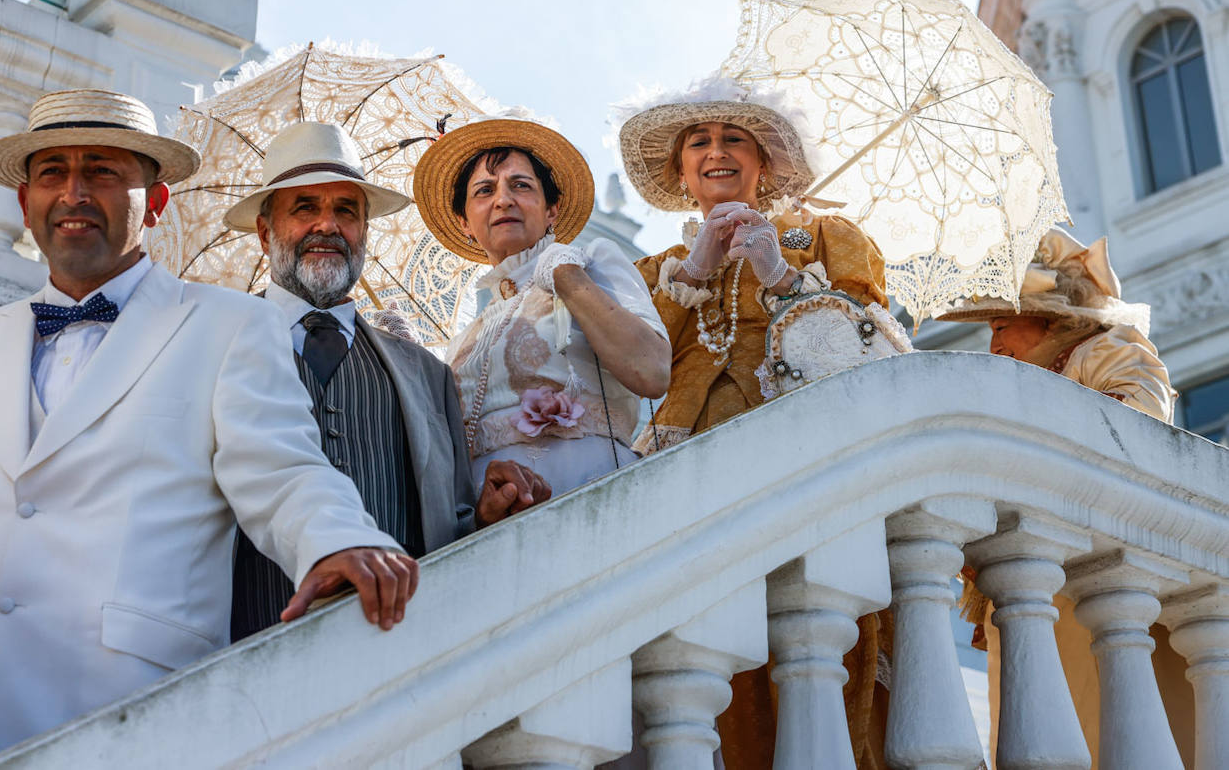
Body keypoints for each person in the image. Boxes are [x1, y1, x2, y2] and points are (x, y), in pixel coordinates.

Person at [0, 89, 416, 757]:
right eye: (52, 173)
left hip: (132, 716)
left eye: (102, 171)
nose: (74, 191)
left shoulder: (231, 326)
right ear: (23, 202)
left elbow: (284, 470)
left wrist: (338, 541)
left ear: (154, 202)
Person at [618, 76, 891, 768]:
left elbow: (874, 352)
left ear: (763, 160)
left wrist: (783, 275)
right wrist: (698, 270)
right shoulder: (649, 272)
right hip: (683, 495)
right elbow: (624, 368)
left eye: (733, 138)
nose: (715, 152)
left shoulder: (826, 235)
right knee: (708, 667)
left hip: (801, 478)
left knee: (817, 652)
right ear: (681, 171)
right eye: (699, 143)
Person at [223, 122, 551, 639]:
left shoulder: (427, 374)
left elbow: (451, 525)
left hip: (398, 648)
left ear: (365, 233)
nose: (327, 225)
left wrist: (487, 514)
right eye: (305, 207)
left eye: (347, 211)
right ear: (266, 233)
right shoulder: (214, 345)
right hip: (244, 650)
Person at [939, 226, 1188, 763]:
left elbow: (1137, 431)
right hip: (1035, 593)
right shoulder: (1016, 390)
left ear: (1049, 316)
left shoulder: (1109, 351)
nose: (994, 344)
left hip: (1094, 584)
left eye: (1002, 324)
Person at [412, 117, 670, 496]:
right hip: (494, 521)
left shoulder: (590, 261)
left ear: (552, 210)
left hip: (594, 491)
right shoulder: (466, 338)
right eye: (484, 191)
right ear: (465, 222)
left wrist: (568, 277)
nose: (503, 199)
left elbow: (652, 371)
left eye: (521, 185)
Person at [937, 227, 1174, 422]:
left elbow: (1145, 411)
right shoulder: (1030, 381)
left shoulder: (1102, 350)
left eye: (1000, 329)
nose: (994, 348)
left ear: (1046, 319)